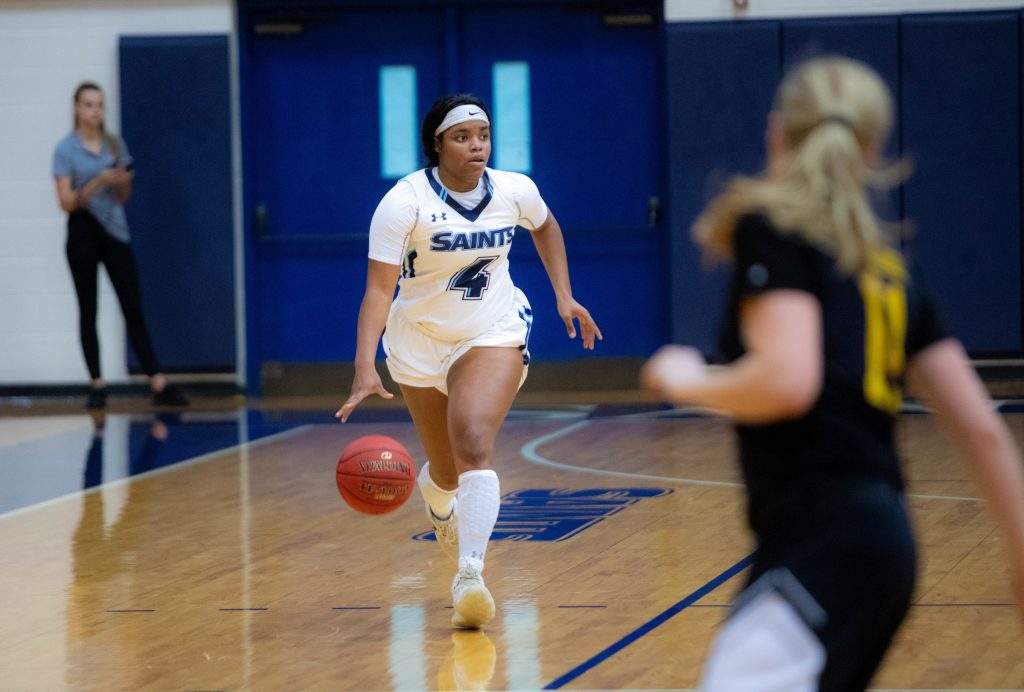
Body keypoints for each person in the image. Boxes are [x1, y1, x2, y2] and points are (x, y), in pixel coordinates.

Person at [641, 57, 1024, 691]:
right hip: (878, 544)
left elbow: (788, 381)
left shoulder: (774, 232)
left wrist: (686, 379)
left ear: (775, 132)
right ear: (870, 148)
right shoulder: (891, 272)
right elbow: (984, 432)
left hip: (830, 536)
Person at [337, 94, 602, 628]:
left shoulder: (514, 189)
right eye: (462, 137)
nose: (476, 145)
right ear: (437, 144)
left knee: (475, 440)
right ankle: (438, 500)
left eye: (482, 134)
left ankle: (470, 576)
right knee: (446, 472)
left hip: (492, 328)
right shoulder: (403, 203)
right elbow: (377, 292)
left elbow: (546, 226)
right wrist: (365, 364)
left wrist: (564, 295)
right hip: (418, 342)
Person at [53, 82, 189, 410]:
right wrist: (98, 180)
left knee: (132, 306)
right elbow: (66, 201)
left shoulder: (114, 144)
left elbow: (124, 197)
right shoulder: (65, 149)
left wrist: (121, 180)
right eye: (88, 104)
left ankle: (157, 380)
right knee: (88, 308)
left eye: (99, 104)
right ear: (76, 108)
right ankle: (97, 384)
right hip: (83, 230)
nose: (95, 110)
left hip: (115, 232)